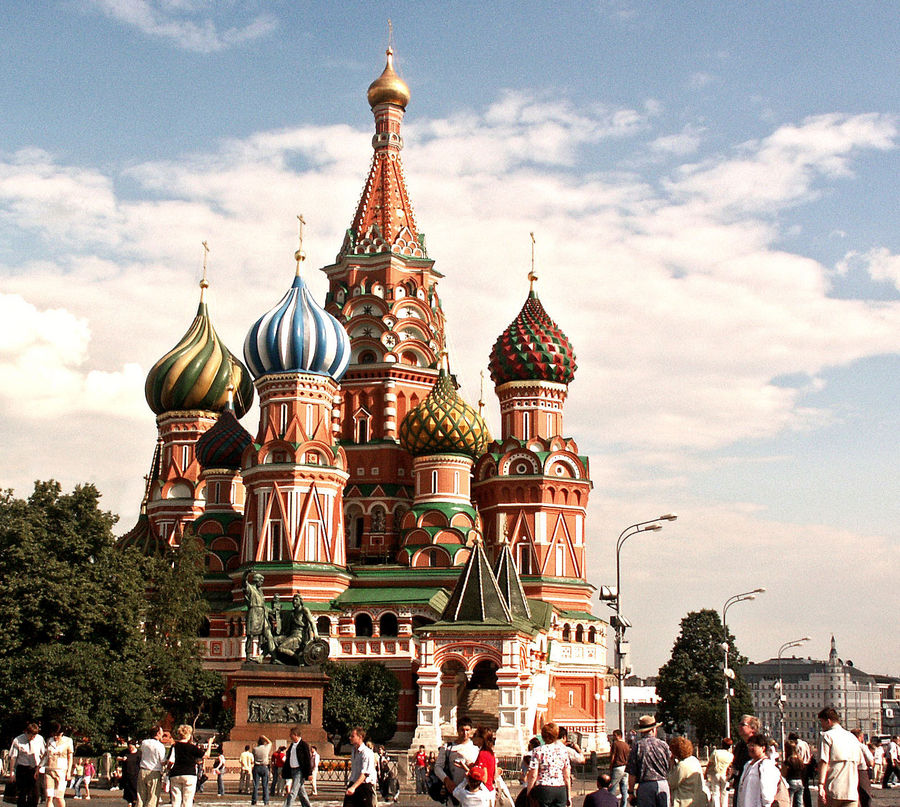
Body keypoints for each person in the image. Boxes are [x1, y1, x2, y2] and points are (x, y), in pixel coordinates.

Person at [816, 707, 862, 807]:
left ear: (828, 721)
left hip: (833, 789)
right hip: (851, 791)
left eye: (822, 722)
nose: (821, 725)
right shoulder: (852, 737)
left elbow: (823, 762)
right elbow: (859, 762)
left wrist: (820, 785)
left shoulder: (826, 736)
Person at [625, 716, 670, 807]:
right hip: (663, 784)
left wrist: (630, 792)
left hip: (645, 786)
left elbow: (632, 773)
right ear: (654, 730)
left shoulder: (637, 746)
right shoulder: (663, 745)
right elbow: (671, 764)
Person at [524, 722, 571, 807]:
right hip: (560, 789)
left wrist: (529, 791)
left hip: (544, 788)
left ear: (543, 736)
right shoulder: (563, 751)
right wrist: (569, 796)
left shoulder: (538, 751)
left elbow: (533, 775)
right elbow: (567, 776)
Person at [435, 718, 479, 799]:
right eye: (462, 730)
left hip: (471, 791)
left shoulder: (476, 749)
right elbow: (437, 767)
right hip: (452, 789)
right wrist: (446, 780)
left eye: (467, 730)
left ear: (471, 731)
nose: (465, 733)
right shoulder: (447, 748)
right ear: (457, 730)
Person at [166, 724, 208, 807]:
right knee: (187, 801)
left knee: (175, 801)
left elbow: (170, 761)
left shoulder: (174, 746)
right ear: (189, 734)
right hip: (189, 774)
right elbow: (206, 755)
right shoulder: (192, 747)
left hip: (175, 774)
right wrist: (209, 744)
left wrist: (167, 772)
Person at [9, 721, 46, 807]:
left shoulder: (39, 739)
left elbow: (44, 754)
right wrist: (12, 772)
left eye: (35, 735)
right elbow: (13, 757)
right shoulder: (17, 740)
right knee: (22, 794)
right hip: (22, 769)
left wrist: (41, 766)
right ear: (26, 732)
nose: (33, 737)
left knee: (35, 794)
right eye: (31, 735)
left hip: (35, 769)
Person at [736, 734, 779, 807]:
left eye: (753, 746)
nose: (750, 748)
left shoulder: (766, 765)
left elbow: (768, 794)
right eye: (748, 745)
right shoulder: (748, 764)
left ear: (763, 748)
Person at [41, 722, 74, 807]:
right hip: (49, 770)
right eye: (54, 734)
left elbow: (70, 757)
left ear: (62, 733)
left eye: (58, 735)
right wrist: (39, 768)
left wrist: (69, 772)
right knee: (49, 796)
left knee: (59, 797)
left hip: (61, 772)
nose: (55, 737)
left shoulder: (68, 741)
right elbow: (45, 756)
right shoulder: (49, 740)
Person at [343, 727, 377, 807]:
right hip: (353, 783)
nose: (350, 738)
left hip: (364, 786)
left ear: (360, 737)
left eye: (352, 736)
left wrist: (353, 787)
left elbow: (365, 774)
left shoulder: (367, 753)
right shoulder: (353, 750)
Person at [667, 737, 705, 807]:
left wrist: (671, 766)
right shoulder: (694, 760)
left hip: (684, 801)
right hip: (697, 799)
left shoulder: (682, 766)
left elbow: (671, 783)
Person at [136, 726, 167, 807]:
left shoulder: (144, 743)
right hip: (154, 771)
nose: (163, 734)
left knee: (140, 796)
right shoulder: (160, 746)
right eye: (161, 732)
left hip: (143, 770)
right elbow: (163, 761)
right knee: (152, 798)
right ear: (158, 733)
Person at [282, 726, 312, 807]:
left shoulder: (303, 745)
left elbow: (307, 759)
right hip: (292, 769)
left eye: (291, 734)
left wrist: (309, 773)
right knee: (301, 792)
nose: (290, 736)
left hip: (299, 771)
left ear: (295, 735)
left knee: (293, 791)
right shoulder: (292, 745)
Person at [731, 716, 760, 793]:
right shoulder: (739, 745)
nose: (739, 727)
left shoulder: (758, 745)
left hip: (753, 787)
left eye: (743, 724)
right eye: (739, 724)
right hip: (739, 784)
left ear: (752, 729)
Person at [705, 738, 733, 807]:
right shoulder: (731, 755)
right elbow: (731, 766)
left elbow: (710, 764)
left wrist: (706, 773)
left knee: (715, 793)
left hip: (716, 774)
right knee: (724, 793)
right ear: (729, 746)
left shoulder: (716, 752)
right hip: (725, 775)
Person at [848, 730, 872, 807]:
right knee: (865, 795)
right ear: (859, 737)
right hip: (861, 772)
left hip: (848, 772)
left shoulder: (845, 746)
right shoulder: (862, 746)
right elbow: (871, 762)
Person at [609, 731, 631, 807]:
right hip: (625, 768)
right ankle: (624, 805)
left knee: (612, 788)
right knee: (624, 789)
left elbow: (613, 756)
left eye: (614, 735)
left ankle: (611, 804)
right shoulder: (626, 745)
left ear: (618, 736)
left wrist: (611, 766)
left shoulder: (615, 744)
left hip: (617, 767)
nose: (613, 737)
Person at [782, 741, 805, 807]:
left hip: (790, 781)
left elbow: (784, 773)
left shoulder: (788, 760)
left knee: (789, 802)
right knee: (800, 802)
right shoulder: (799, 759)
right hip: (799, 781)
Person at [251, 736, 273, 806]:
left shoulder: (255, 749)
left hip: (257, 767)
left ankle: (254, 800)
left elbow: (254, 755)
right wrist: (264, 737)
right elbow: (270, 742)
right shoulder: (266, 748)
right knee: (265, 785)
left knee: (255, 785)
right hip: (264, 767)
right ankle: (266, 801)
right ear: (264, 742)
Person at [119, 742, 141, 807]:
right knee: (128, 789)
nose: (130, 749)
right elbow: (117, 758)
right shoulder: (125, 752)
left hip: (135, 774)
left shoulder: (139, 753)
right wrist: (122, 759)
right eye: (129, 747)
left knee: (135, 789)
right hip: (126, 774)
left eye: (131, 747)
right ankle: (129, 802)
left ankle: (134, 802)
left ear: (135, 746)